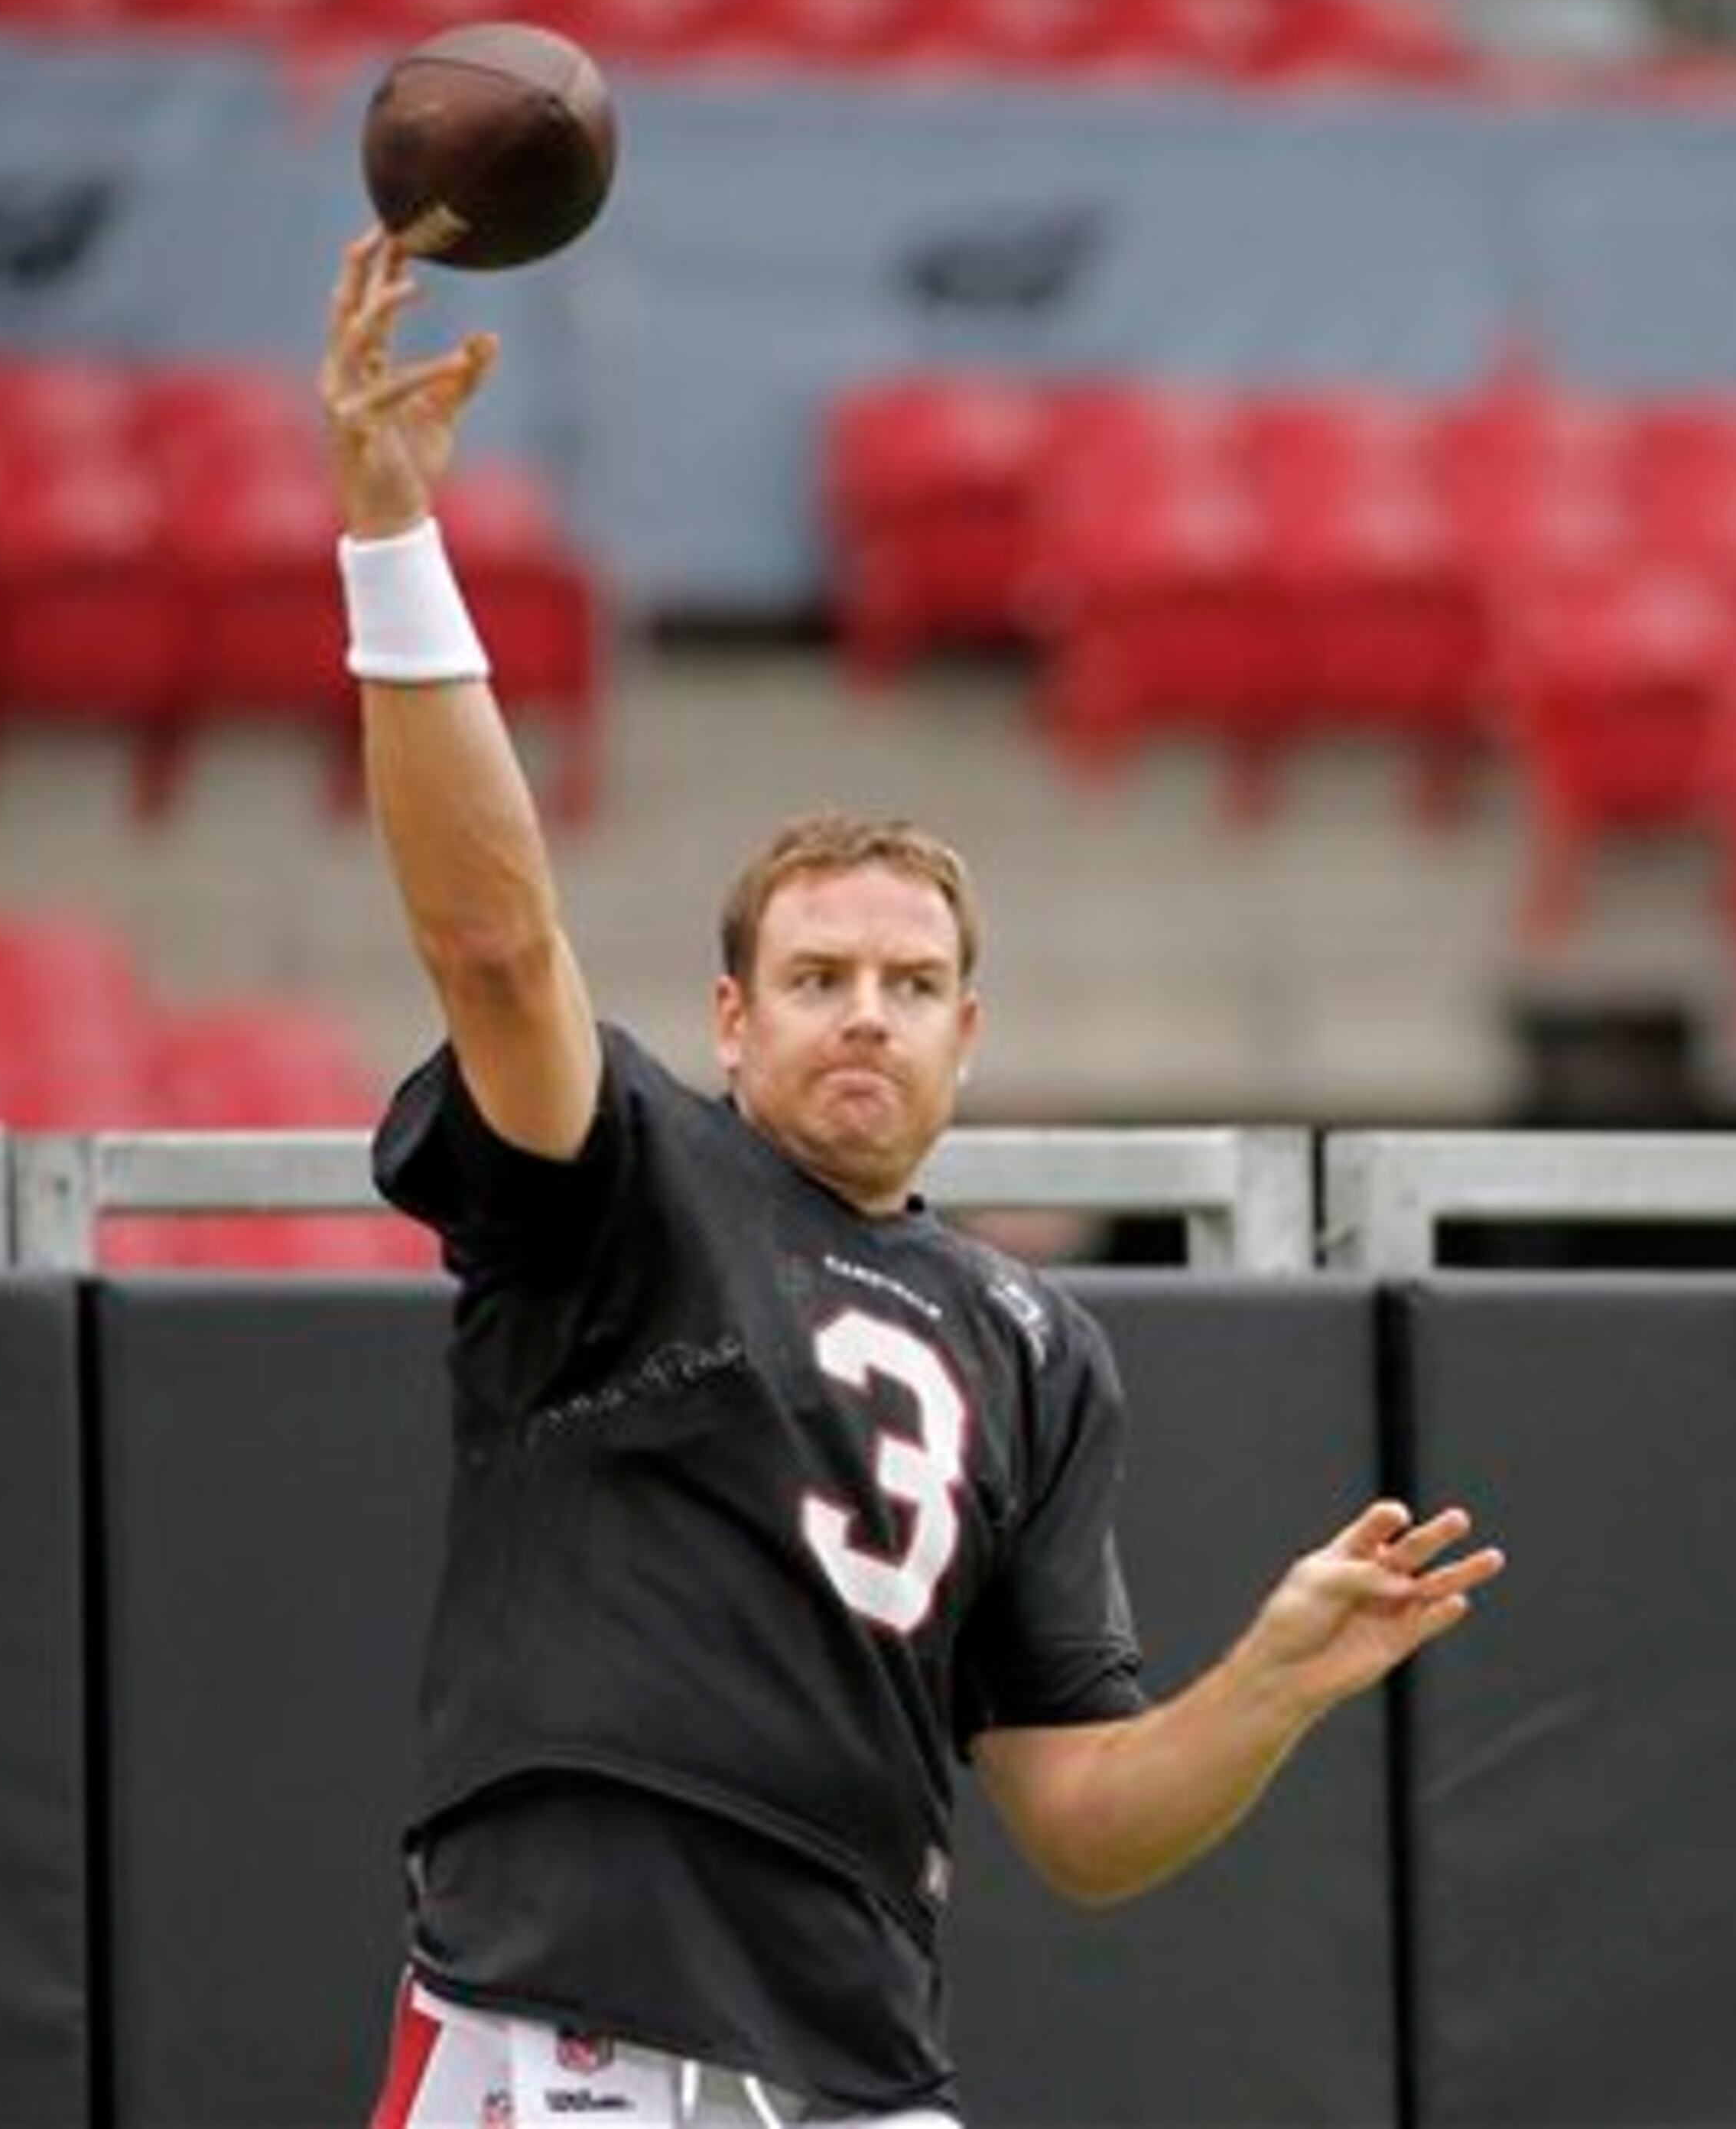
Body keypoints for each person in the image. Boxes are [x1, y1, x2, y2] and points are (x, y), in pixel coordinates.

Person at [320, 229, 1505, 2127]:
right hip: (569, 2013)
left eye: (908, 985)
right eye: (815, 979)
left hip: (858, 2054)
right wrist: (392, 542)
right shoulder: (628, 1181)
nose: (861, 1018)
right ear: (728, 1017)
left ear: (972, 1030)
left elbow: (1087, 1824)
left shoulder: (1032, 1342)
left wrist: (1272, 1680)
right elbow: (494, 948)